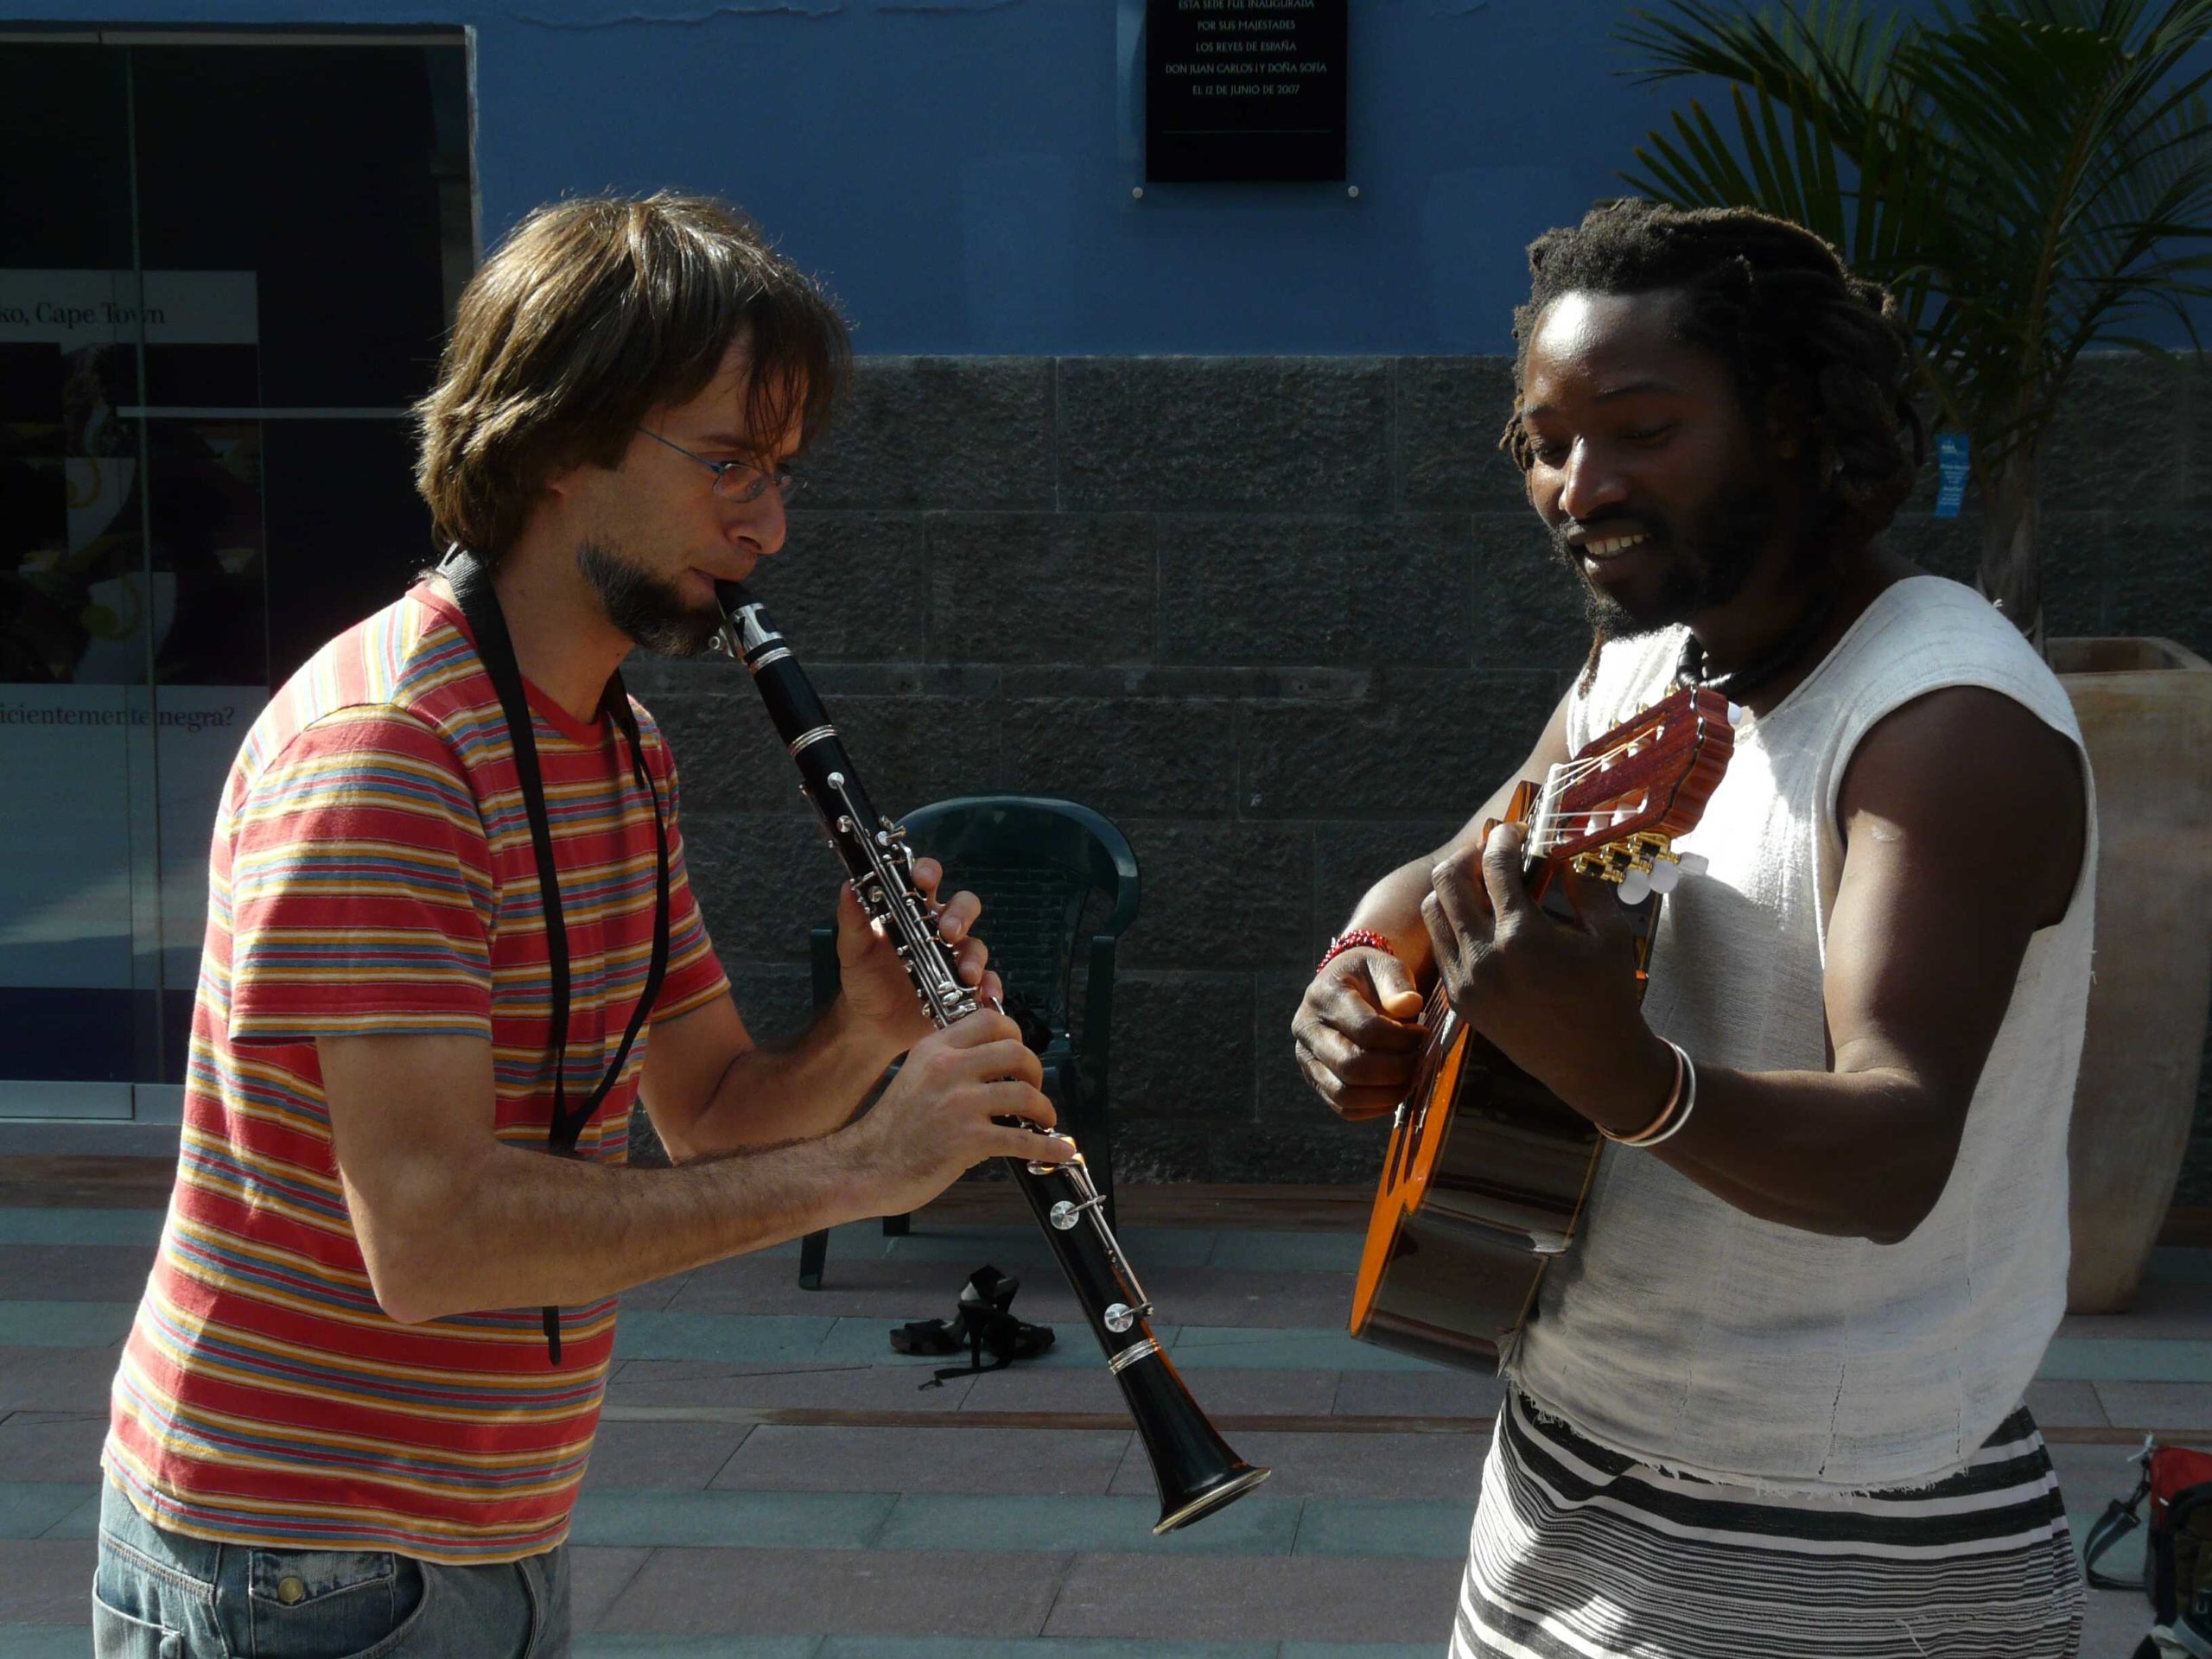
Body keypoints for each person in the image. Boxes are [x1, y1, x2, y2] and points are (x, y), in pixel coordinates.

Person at [92, 192, 1068, 1656]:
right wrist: (869, 1167)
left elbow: (716, 1119)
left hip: (482, 1523)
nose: (770, 523)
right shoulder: (393, 754)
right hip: (302, 1552)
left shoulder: (614, 746)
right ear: (556, 437)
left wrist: (864, 1028)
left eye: (782, 472)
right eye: (728, 462)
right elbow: (429, 1239)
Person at [1292, 201, 2093, 1659]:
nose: (1577, 484)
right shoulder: (1661, 654)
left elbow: (1895, 1150)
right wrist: (1361, 974)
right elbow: (1448, 872)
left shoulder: (1942, 726)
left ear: (1791, 420)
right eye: (1545, 442)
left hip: (1835, 1528)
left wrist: (1625, 1076)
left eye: (1640, 430)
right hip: (1560, 1464)